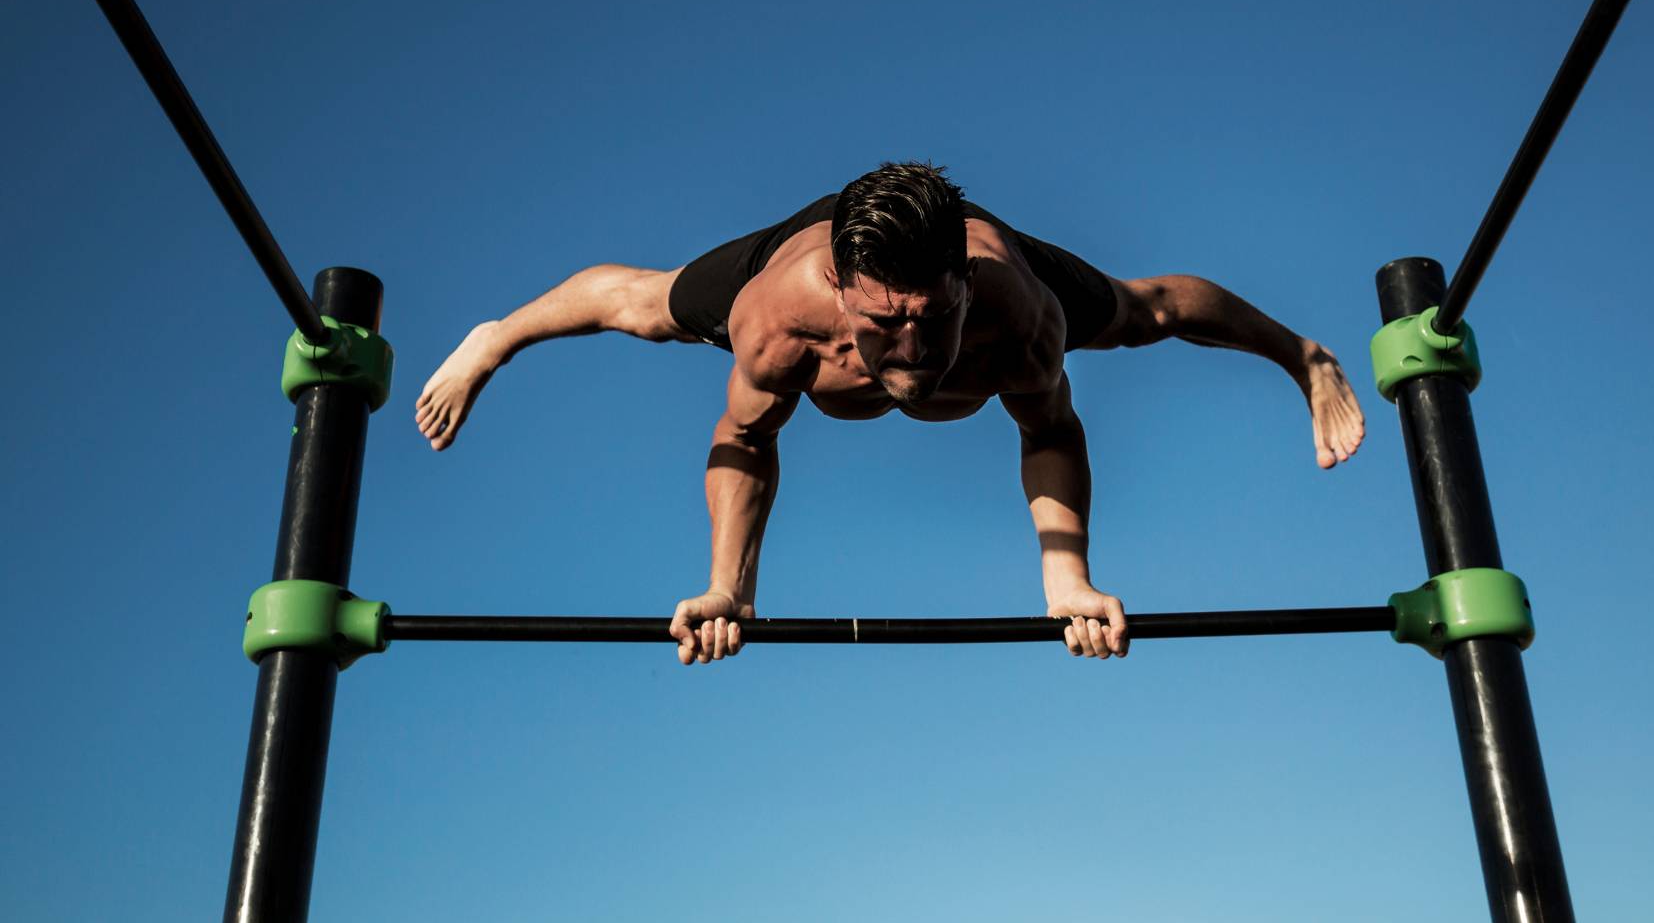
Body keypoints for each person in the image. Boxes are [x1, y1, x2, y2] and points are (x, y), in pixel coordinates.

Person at [415, 163, 1365, 664]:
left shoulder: (1016, 308)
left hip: (983, 257)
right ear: (840, 290)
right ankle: (498, 333)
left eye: (931, 320)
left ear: (962, 282)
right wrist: (727, 590)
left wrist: (1067, 582)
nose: (912, 351)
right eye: (883, 325)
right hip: (798, 266)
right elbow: (744, 438)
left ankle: (1303, 354)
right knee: (642, 305)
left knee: (1139, 311)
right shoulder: (776, 318)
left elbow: (1050, 430)